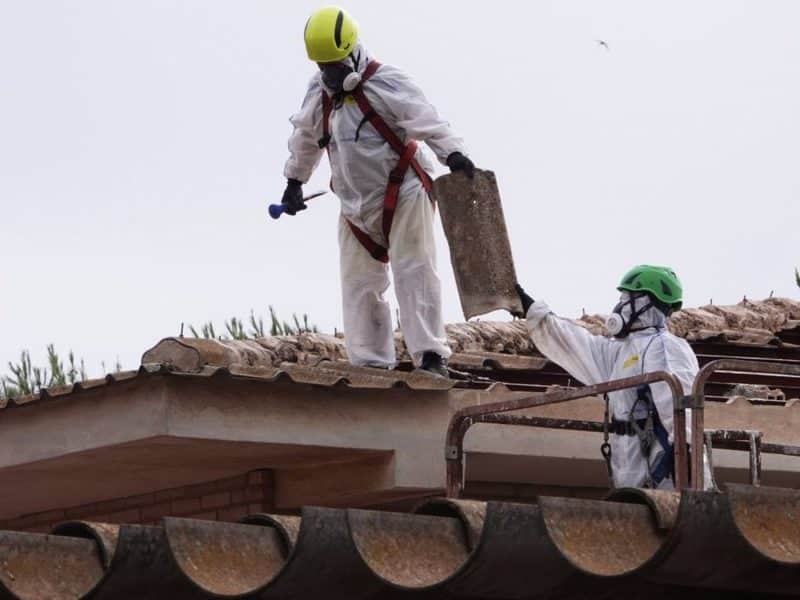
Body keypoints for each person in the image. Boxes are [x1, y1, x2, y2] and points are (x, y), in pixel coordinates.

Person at [280, 6, 475, 378]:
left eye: (336, 66)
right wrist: (294, 182)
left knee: (414, 271)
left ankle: (431, 356)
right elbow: (306, 137)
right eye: (323, 67)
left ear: (352, 53)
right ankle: (370, 363)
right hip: (354, 207)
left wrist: (453, 154)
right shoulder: (319, 94)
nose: (330, 75)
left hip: (403, 193)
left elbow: (426, 119)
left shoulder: (387, 82)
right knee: (358, 285)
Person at [515, 265, 710, 489]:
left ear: (646, 303)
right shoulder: (621, 351)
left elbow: (682, 414)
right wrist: (531, 310)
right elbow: (577, 344)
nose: (621, 304)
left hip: (664, 480)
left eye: (628, 297)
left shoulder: (665, 347)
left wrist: (694, 482)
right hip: (630, 478)